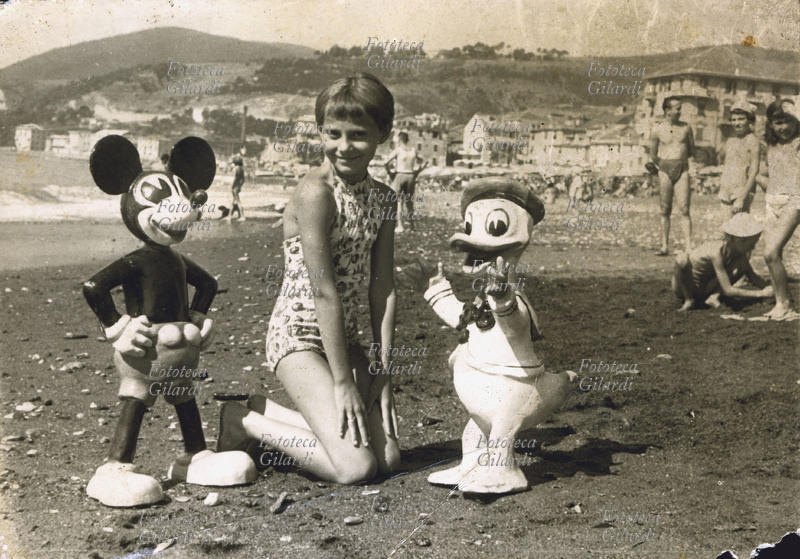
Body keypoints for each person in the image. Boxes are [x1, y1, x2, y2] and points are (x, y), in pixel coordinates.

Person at [217, 73, 401, 483]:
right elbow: (323, 291)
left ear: (382, 135)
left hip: (345, 339)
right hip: (297, 336)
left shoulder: (386, 199)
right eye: (332, 134)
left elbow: (383, 286)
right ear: (320, 132)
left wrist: (382, 370)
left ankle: (270, 412)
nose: (343, 146)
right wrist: (342, 382)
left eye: (358, 135)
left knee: (389, 460)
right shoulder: (315, 194)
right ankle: (243, 420)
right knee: (357, 467)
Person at [671, 213, 772, 311]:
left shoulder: (739, 256)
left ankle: (713, 297)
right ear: (739, 241)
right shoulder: (716, 252)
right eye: (751, 244)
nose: (753, 248)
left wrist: (773, 290)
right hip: (685, 287)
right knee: (682, 259)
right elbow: (728, 290)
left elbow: (753, 277)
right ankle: (689, 300)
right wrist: (761, 293)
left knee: (742, 265)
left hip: (704, 289)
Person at [758, 100, 800, 320]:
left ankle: (786, 306)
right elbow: (764, 173)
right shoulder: (771, 145)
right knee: (774, 256)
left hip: (795, 201)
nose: (784, 127)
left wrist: (792, 107)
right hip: (772, 200)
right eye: (779, 122)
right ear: (771, 124)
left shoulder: (798, 142)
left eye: (789, 122)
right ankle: (779, 303)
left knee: (770, 253)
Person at [647, 96, 696, 255]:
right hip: (665, 169)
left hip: (682, 168)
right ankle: (664, 246)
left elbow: (692, 150)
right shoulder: (657, 129)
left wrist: (684, 163)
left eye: (680, 108)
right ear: (667, 111)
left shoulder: (686, 127)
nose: (680, 111)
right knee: (665, 209)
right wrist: (663, 165)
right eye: (677, 108)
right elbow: (653, 154)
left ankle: (688, 246)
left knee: (684, 208)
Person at [718, 100, 760, 220]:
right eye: (734, 120)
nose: (737, 123)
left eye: (741, 119)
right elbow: (723, 159)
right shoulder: (731, 140)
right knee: (725, 229)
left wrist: (742, 197)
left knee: (738, 229)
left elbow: (754, 170)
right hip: (726, 189)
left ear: (749, 120)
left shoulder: (752, 140)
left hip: (742, 190)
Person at [384, 132, 426, 232]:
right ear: (407, 140)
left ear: (399, 140)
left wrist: (390, 172)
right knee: (409, 203)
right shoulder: (413, 150)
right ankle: (412, 227)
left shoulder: (398, 150)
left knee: (398, 202)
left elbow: (385, 162)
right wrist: (417, 171)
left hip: (400, 174)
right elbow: (424, 161)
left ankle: (400, 226)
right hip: (411, 175)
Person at [229, 149, 246, 221]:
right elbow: (243, 179)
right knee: (234, 201)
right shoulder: (241, 169)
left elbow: (235, 178)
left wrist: (232, 186)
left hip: (235, 186)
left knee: (237, 201)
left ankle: (242, 216)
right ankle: (229, 216)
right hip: (238, 186)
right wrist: (240, 186)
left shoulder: (236, 168)